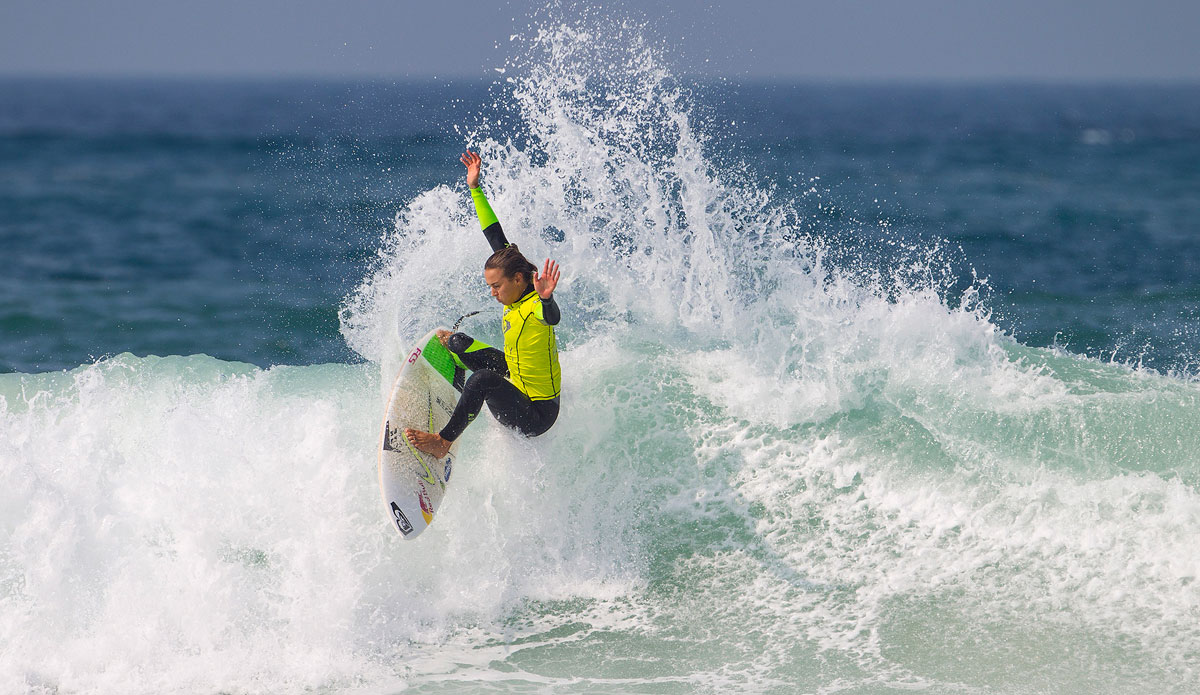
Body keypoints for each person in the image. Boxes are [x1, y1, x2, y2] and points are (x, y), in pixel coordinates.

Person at [404, 151, 563, 458]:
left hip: (536, 414)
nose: (493, 293)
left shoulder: (535, 305)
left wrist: (547, 298)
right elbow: (494, 234)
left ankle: (443, 441)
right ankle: (463, 394)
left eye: (496, 286)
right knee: (458, 343)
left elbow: (551, 318)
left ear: (518, 279)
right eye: (490, 286)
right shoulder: (514, 278)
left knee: (483, 379)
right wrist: (475, 189)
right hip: (517, 379)